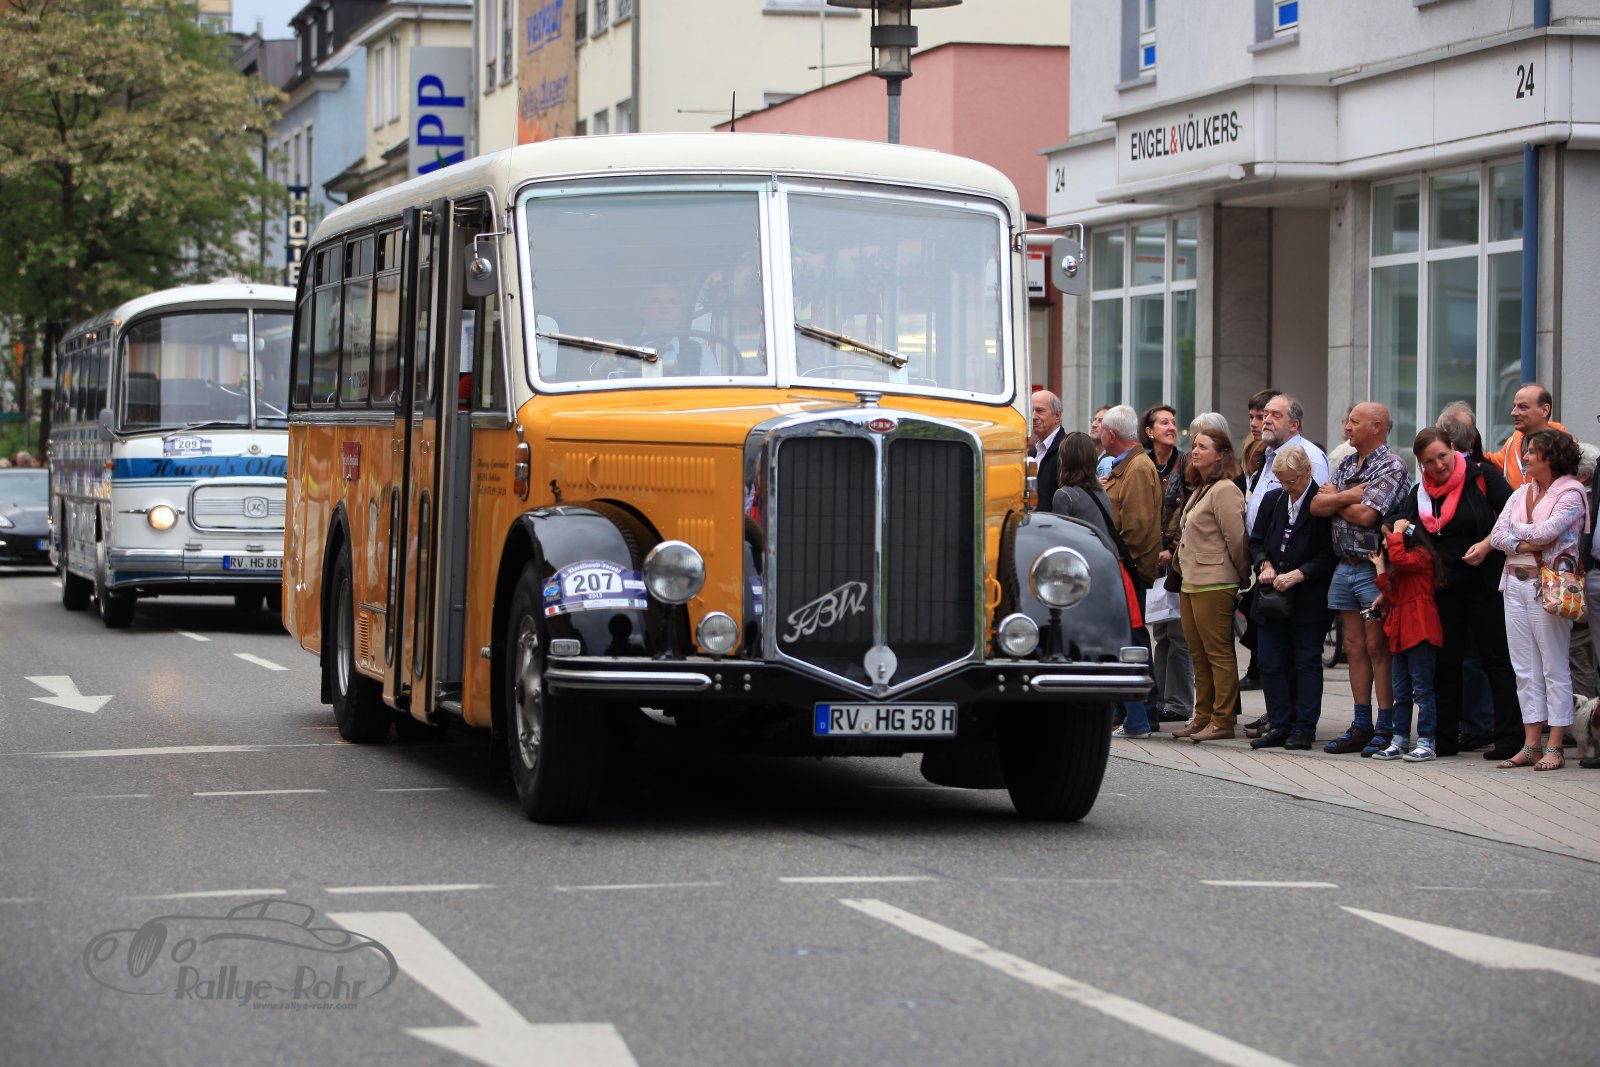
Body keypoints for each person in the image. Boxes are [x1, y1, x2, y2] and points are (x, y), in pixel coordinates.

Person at [1406, 427, 1523, 761]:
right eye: (1429, 462)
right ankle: (1445, 737)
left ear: (1453, 449)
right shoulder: (1420, 492)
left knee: (1496, 661)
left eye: (1442, 456)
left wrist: (1486, 545)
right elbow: (1405, 526)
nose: (1438, 465)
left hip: (1485, 584)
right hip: (1445, 588)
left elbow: (1513, 514)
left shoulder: (1482, 476)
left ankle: (1509, 737)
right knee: (1446, 663)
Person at [1312, 402, 1411, 756]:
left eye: (1354, 421)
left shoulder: (1392, 465)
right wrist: (1348, 497)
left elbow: (1369, 516)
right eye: (1347, 420)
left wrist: (1335, 499)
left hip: (1373, 567)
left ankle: (1385, 725)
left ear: (1377, 426)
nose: (1347, 427)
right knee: (1353, 647)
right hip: (1345, 566)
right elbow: (1315, 506)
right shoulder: (1346, 464)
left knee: (1376, 647)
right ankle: (1360, 723)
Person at [1489, 429, 1589, 770]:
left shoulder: (1571, 493)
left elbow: (1549, 533)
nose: (1526, 457)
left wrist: (1516, 536)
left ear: (1551, 457)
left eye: (1532, 451)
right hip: (1514, 584)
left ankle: (1556, 745)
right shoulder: (1521, 492)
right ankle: (1531, 743)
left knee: (1553, 666)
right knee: (1524, 668)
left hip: (1549, 586)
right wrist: (1524, 541)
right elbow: (1497, 535)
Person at [1247, 446, 1334, 751]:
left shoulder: (1320, 503)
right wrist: (1264, 564)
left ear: (1307, 473)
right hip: (1273, 597)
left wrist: (1301, 573)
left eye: (1292, 481)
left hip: (1308, 598)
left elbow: (1329, 553)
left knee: (1306, 661)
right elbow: (1256, 541)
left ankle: (1304, 728)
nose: (1287, 487)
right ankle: (1278, 723)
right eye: (1281, 481)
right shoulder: (1273, 500)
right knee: (1269, 661)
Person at [1170, 425, 1249, 743]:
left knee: (1218, 653)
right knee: (1198, 654)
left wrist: (1242, 576)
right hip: (1191, 580)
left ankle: (1222, 719)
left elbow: (1237, 539)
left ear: (1220, 455)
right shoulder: (1203, 488)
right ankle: (1202, 716)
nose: (1195, 451)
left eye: (1203, 446)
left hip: (1215, 581)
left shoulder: (1225, 490)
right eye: (1194, 446)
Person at [1100, 405, 1163, 735]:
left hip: (1128, 570)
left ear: (1111, 434)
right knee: (1128, 639)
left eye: (1101, 430)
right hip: (1125, 569)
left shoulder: (1137, 468)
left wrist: (1122, 566)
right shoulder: (1128, 465)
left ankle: (1144, 711)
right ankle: (1132, 711)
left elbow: (1136, 528)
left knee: (1134, 640)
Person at [1370, 517, 1446, 762]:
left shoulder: (1421, 556)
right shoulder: (1403, 563)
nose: (1385, 542)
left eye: (1387, 536)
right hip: (1402, 631)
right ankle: (1400, 739)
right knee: (1401, 692)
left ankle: (1426, 742)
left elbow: (1400, 558)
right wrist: (1380, 567)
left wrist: (1396, 533)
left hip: (1419, 629)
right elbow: (1393, 593)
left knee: (1422, 690)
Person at [1142, 404, 1193, 727]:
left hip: (1178, 559)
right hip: (1152, 560)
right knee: (1160, 632)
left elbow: (1189, 509)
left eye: (1173, 422)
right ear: (1149, 432)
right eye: (1164, 423)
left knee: (1178, 634)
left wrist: (1171, 549)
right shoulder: (1143, 464)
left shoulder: (1186, 463)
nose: (1171, 427)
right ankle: (1161, 698)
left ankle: (1179, 702)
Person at [1246, 393, 1331, 536]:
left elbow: (1312, 516)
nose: (1266, 420)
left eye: (1276, 416)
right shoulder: (1269, 453)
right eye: (1265, 414)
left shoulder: (1311, 457)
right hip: (1259, 546)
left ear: (1294, 425)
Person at [1487, 383, 1565, 491]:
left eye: (1523, 407)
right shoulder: (1513, 442)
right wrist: (1468, 448)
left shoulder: (1563, 448)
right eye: (1514, 406)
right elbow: (1491, 462)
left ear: (1545, 410)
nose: (1513, 413)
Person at [1243, 388, 1281, 494]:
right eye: (1251, 417)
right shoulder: (1268, 454)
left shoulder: (1308, 455)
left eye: (1260, 417)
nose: (1253, 424)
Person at [1031, 390, 1064, 510]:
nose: (1033, 417)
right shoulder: (1031, 453)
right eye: (1031, 411)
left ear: (1057, 416)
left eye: (1040, 411)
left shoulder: (1067, 451)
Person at [1090, 404, 1113, 479]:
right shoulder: (1089, 457)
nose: (1093, 425)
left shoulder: (1109, 462)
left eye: (1100, 421)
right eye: (1094, 420)